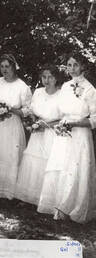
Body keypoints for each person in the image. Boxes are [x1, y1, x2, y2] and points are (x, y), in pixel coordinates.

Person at [38, 53, 96, 223]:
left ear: (83, 66)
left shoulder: (90, 89)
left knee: (76, 169)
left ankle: (74, 207)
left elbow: (94, 118)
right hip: (64, 134)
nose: (72, 68)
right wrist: (62, 124)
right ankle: (60, 206)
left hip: (80, 134)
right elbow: (62, 112)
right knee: (62, 167)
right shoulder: (65, 86)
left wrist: (75, 123)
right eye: (69, 65)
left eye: (75, 65)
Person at [15, 65, 62, 205]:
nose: (47, 80)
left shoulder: (62, 94)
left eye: (50, 77)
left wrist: (47, 125)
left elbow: (63, 119)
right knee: (33, 162)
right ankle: (30, 197)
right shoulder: (38, 92)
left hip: (53, 133)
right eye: (44, 77)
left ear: (56, 78)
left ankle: (47, 199)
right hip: (37, 133)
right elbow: (32, 112)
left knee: (49, 163)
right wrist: (34, 123)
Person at [0, 54, 32, 199]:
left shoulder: (22, 86)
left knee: (10, 155)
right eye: (2, 67)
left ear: (14, 66)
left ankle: (10, 192)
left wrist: (11, 109)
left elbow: (27, 110)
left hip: (12, 125)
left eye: (7, 66)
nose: (4, 69)